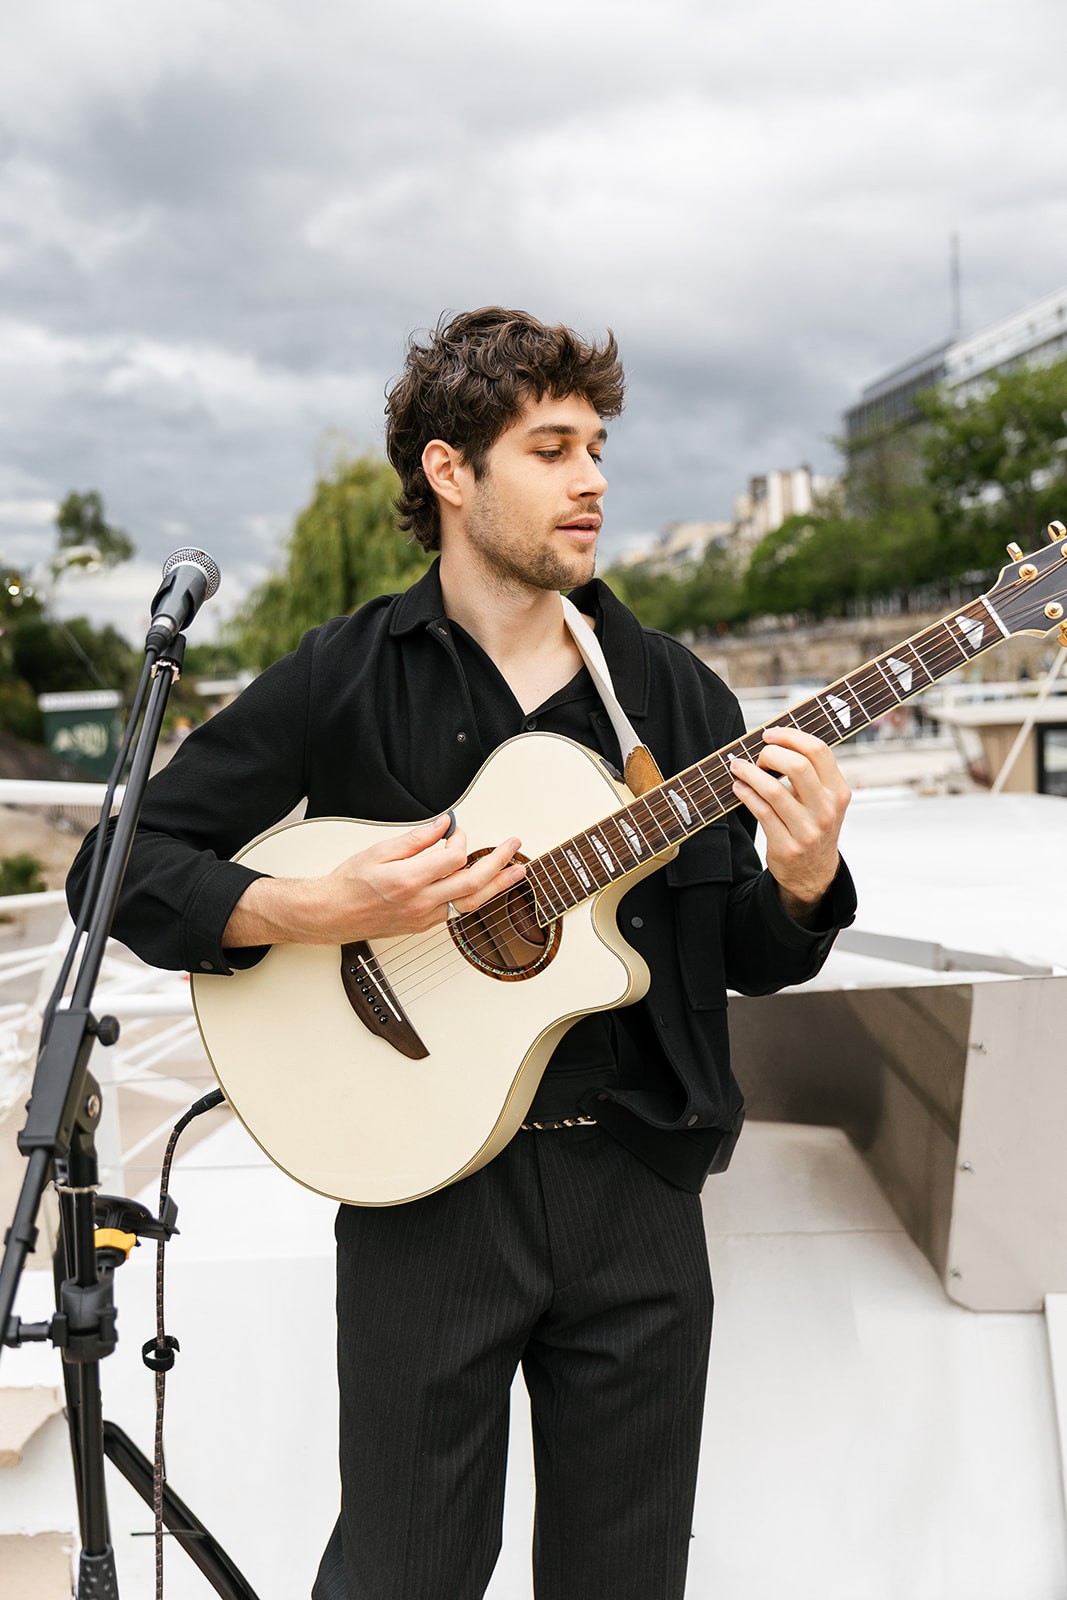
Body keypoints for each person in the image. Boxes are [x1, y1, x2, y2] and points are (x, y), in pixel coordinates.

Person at [67, 307, 855, 1600]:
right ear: (450, 472)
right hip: (422, 1195)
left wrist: (809, 877)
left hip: (639, 1192)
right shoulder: (345, 676)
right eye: (552, 449)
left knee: (626, 1579)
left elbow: (750, 958)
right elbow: (118, 867)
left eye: (599, 446)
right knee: (400, 1573)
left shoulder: (674, 698)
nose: (594, 477)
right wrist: (315, 910)